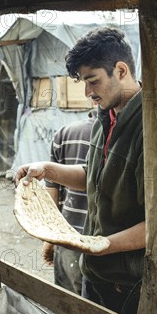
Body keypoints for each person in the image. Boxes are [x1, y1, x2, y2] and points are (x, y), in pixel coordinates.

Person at [15, 27, 144, 314]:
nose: (87, 93)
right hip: (95, 271)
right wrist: (46, 169)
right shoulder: (105, 117)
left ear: (121, 70)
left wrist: (102, 245)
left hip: (127, 282)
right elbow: (95, 176)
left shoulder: (148, 127)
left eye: (93, 81)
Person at [42, 109, 96, 295]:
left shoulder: (64, 134)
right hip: (104, 243)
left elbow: (52, 193)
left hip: (67, 239)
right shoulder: (119, 135)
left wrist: (50, 239)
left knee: (68, 307)